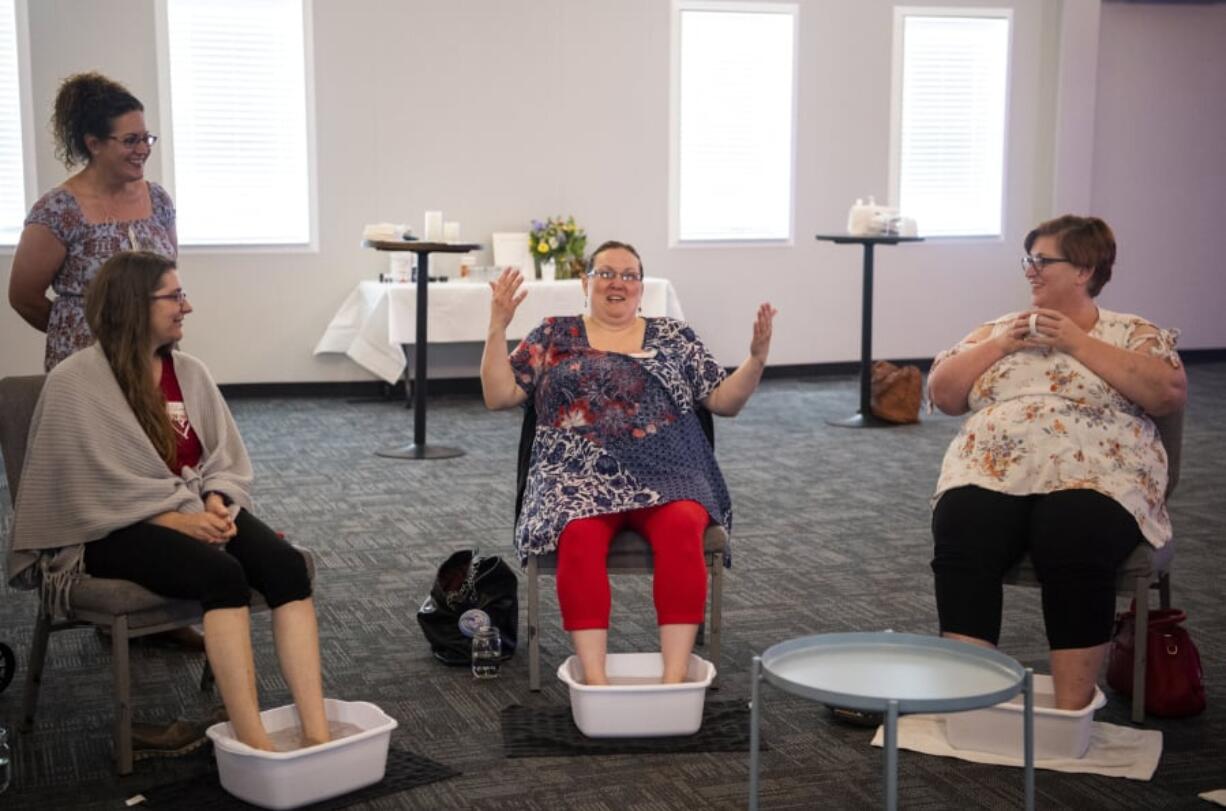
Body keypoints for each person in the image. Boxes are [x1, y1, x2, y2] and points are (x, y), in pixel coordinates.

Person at [7, 252, 329, 751]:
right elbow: (78, 489)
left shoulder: (189, 373)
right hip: (108, 530)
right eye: (175, 296)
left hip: (192, 508)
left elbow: (221, 455)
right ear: (134, 305)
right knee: (222, 577)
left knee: (286, 567)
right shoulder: (75, 383)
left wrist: (217, 500)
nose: (188, 306)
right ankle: (254, 743)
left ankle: (318, 732)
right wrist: (177, 522)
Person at [481, 240, 777, 685]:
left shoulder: (676, 337)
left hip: (669, 474)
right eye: (605, 273)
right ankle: (595, 681)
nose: (617, 283)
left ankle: (676, 678)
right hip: (573, 479)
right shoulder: (552, 335)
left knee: (682, 526)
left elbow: (723, 401)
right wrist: (496, 327)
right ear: (585, 282)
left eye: (629, 275)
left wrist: (755, 360)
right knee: (577, 536)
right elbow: (498, 395)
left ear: (642, 287)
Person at [927, 215, 1186, 710]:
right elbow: (943, 393)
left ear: (1085, 269)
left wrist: (1076, 343)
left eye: (1042, 260)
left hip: (1098, 477)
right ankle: (970, 697)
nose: (1030, 270)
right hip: (993, 471)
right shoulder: (1000, 328)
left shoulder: (1131, 332)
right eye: (1028, 259)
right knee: (963, 527)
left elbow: (1168, 393)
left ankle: (1072, 706)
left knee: (1072, 533)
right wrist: (1000, 345)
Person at [8, 71, 177, 372]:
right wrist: (75, 331)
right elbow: (23, 297)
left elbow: (167, 276)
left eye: (146, 138)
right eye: (130, 141)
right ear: (94, 144)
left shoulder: (159, 200)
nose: (143, 149)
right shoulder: (58, 210)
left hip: (152, 359)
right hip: (87, 366)